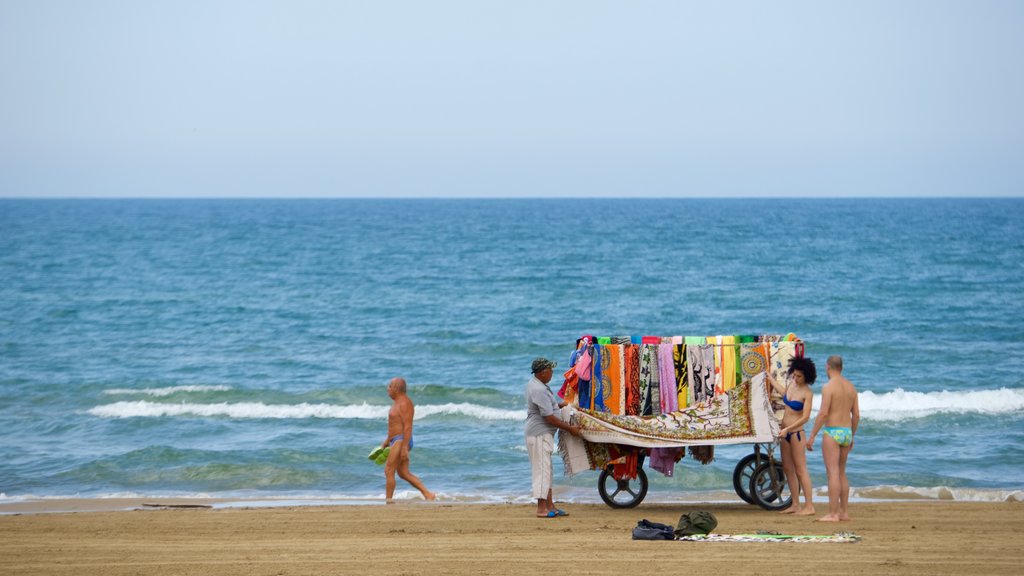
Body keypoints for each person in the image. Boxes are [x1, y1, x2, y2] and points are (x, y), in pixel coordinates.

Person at [525, 357, 582, 518]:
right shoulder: (539, 389)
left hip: (542, 434)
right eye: (550, 370)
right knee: (542, 471)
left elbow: (549, 407)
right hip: (539, 434)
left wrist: (562, 405)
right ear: (543, 372)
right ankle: (541, 509)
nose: (552, 373)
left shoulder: (538, 385)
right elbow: (548, 417)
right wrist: (571, 429)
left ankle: (550, 506)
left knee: (547, 471)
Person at [807, 355, 859, 522]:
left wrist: (812, 435)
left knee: (833, 474)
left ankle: (833, 514)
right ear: (841, 368)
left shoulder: (828, 387)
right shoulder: (851, 387)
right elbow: (856, 415)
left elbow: (823, 414)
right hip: (846, 432)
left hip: (832, 432)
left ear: (828, 367)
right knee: (842, 473)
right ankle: (844, 512)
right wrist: (852, 435)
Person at [766, 356, 816, 516]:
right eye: (794, 375)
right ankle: (795, 504)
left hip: (796, 433)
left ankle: (809, 506)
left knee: (801, 470)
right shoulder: (792, 384)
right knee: (788, 469)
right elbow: (784, 394)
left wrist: (789, 429)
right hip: (784, 432)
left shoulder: (807, 393)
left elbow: (805, 417)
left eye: (799, 376)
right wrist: (770, 380)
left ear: (807, 376)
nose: (796, 378)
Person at [381, 377, 435, 502]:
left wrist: (404, 447)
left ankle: (388, 500)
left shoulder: (405, 403)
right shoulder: (396, 403)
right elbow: (394, 425)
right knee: (403, 473)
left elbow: (408, 426)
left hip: (401, 440)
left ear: (396, 388)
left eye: (389, 386)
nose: (387, 389)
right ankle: (428, 494)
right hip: (395, 440)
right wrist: (386, 441)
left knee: (389, 470)